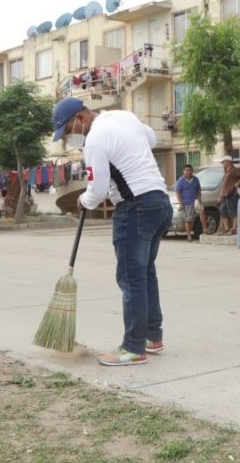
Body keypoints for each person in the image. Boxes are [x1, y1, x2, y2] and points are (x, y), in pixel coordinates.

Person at [51, 96, 172, 366]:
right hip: (160, 203)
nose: (72, 138)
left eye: (70, 131)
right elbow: (150, 139)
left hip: (135, 208)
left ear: (81, 119)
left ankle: (132, 348)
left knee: (131, 279)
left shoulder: (94, 139)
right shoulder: (123, 117)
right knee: (145, 274)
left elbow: (98, 188)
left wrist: (83, 201)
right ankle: (152, 336)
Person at [172, 164, 204, 241]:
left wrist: (199, 199)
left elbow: (199, 190)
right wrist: (181, 203)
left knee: (202, 212)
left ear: (192, 171)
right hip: (186, 203)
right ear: (183, 171)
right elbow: (177, 192)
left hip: (195, 202)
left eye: (190, 170)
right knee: (188, 220)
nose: (188, 172)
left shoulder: (196, 179)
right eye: (186, 170)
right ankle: (189, 236)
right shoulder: (180, 180)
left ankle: (205, 230)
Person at [216, 156, 240, 235]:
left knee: (233, 211)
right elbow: (223, 185)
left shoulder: (234, 170)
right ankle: (226, 228)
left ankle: (234, 228)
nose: (222, 164)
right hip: (224, 195)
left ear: (228, 162)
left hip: (232, 194)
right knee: (223, 211)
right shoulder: (226, 171)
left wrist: (237, 184)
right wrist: (220, 195)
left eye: (223, 162)